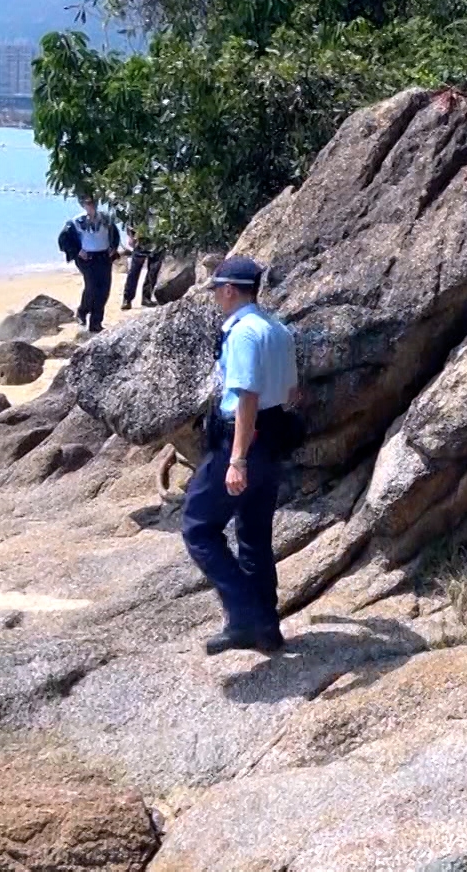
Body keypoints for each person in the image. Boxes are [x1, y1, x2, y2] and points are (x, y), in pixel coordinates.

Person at [182, 257, 302, 655]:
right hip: (273, 438)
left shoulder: (244, 333)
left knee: (199, 527)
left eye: (217, 290)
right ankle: (267, 628)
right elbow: (292, 394)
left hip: (243, 439)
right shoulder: (278, 329)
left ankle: (245, 616)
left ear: (230, 290)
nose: (216, 297)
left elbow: (246, 395)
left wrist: (237, 459)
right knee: (253, 536)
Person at [58, 197, 120, 334]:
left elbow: (115, 234)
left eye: (93, 202)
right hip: (87, 259)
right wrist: (77, 251)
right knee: (92, 287)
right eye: (88, 203)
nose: (91, 205)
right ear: (83, 205)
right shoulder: (76, 222)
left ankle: (96, 323)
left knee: (104, 290)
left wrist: (113, 247)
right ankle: (82, 311)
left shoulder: (105, 218)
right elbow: (63, 240)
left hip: (103, 257)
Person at [122, 228, 163, 310]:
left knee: (153, 272)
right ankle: (127, 299)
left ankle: (146, 298)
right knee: (134, 272)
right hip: (140, 242)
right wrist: (130, 237)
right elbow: (131, 220)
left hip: (157, 241)